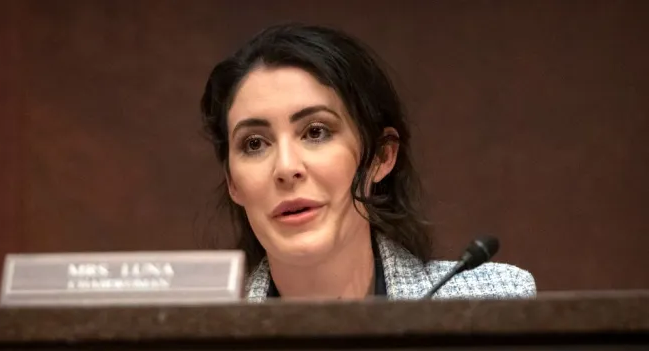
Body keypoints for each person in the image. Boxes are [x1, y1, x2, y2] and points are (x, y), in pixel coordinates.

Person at [200, 23, 536, 302]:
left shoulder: (492, 302)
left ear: (381, 155)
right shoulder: (198, 334)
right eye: (254, 144)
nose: (286, 168)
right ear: (232, 181)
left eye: (316, 132)